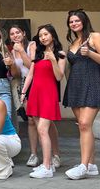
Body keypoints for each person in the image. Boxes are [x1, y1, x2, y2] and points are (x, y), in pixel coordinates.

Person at [63, 9, 100, 180]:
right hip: (75, 86)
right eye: (71, 22)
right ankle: (91, 165)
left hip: (93, 83)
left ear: (84, 21)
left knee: (84, 124)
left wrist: (90, 53)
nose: (74, 24)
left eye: (76, 20)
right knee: (83, 127)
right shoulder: (73, 42)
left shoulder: (95, 37)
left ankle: (82, 166)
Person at [9, 25, 60, 168]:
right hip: (24, 83)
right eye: (12, 34)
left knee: (45, 123)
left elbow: (32, 64)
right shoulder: (13, 50)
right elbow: (19, 72)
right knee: (32, 120)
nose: (15, 35)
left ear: (24, 33)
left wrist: (21, 52)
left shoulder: (32, 45)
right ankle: (34, 154)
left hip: (40, 82)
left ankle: (53, 155)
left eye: (18, 32)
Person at [21, 24, 66, 179]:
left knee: (42, 129)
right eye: (40, 36)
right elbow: (30, 75)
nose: (43, 38)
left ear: (52, 35)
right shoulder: (38, 53)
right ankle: (48, 163)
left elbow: (59, 77)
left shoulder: (60, 54)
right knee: (43, 129)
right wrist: (23, 92)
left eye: (46, 34)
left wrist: (53, 60)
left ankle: (47, 166)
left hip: (49, 94)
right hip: (35, 93)